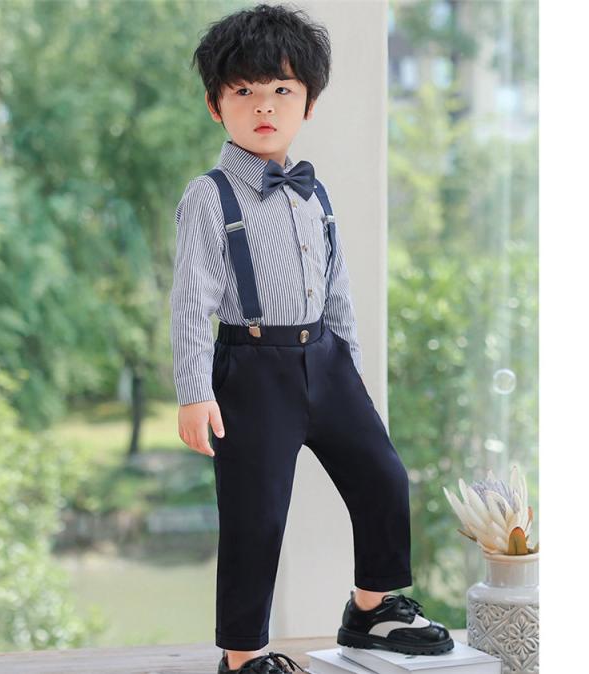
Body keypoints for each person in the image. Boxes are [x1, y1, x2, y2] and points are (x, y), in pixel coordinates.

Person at [170, 4, 454, 673]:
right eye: (244, 90)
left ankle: (372, 609)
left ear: (309, 103)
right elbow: (191, 299)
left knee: (383, 476)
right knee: (257, 514)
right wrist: (192, 390)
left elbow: (337, 285)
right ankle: (244, 656)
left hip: (324, 357)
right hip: (252, 367)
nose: (264, 106)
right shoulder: (209, 197)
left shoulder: (312, 192)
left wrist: (349, 369)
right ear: (215, 105)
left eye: (282, 90)